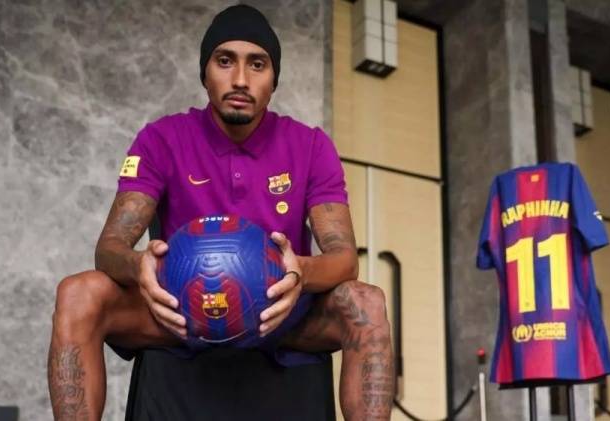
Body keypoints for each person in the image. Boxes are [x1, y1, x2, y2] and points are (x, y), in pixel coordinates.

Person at [47, 4, 393, 420]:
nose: (241, 79)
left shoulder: (311, 146)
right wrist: (140, 266)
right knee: (78, 293)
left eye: (258, 64)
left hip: (277, 316)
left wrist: (299, 272)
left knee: (366, 302)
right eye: (225, 61)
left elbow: (344, 258)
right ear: (205, 72)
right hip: (181, 315)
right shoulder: (162, 139)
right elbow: (109, 248)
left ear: (274, 78)